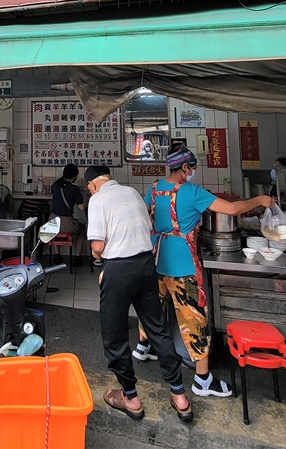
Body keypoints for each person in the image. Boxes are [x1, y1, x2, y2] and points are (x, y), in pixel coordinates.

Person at [133, 146, 275, 399]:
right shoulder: (192, 192)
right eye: (193, 167)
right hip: (183, 265)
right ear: (185, 167)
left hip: (156, 259)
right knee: (194, 319)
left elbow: (145, 216)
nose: (193, 172)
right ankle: (202, 379)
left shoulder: (154, 189)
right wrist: (260, 201)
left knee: (153, 307)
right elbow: (232, 210)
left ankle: (143, 347)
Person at [85, 165, 194, 423]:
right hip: (146, 266)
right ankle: (179, 395)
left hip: (119, 271)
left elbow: (98, 246)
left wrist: (97, 255)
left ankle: (131, 398)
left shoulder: (98, 200)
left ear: (92, 185)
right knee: (157, 328)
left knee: (115, 335)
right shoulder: (133, 192)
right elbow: (147, 226)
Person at [50, 164, 85, 265]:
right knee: (82, 229)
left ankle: (57, 256)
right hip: (67, 224)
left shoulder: (55, 185)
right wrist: (86, 195)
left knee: (55, 232)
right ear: (74, 176)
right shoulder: (74, 189)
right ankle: (77, 258)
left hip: (53, 223)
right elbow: (81, 208)